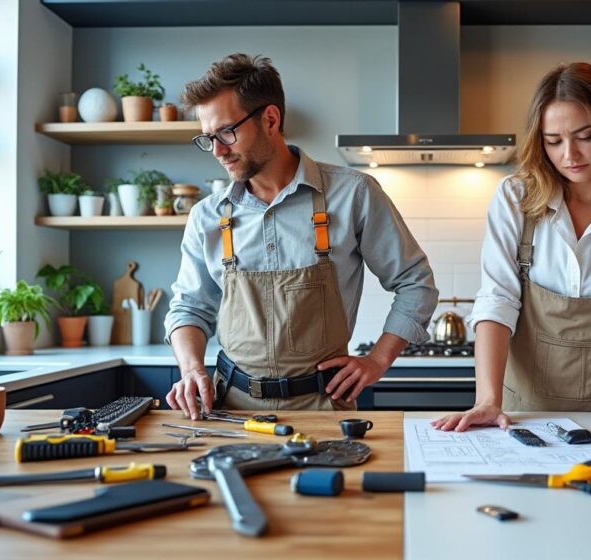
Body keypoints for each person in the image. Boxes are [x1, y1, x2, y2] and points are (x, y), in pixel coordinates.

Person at [165, 53, 438, 419]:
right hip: (230, 409)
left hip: (324, 407)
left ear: (271, 119)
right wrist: (192, 369)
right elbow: (189, 308)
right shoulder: (207, 217)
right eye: (207, 138)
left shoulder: (353, 194)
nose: (217, 151)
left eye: (227, 132)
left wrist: (377, 360)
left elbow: (415, 283)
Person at [432, 62, 591, 445]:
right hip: (520, 421)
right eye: (553, 140)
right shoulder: (514, 199)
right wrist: (487, 399)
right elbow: (497, 299)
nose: (569, 154)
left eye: (585, 136)